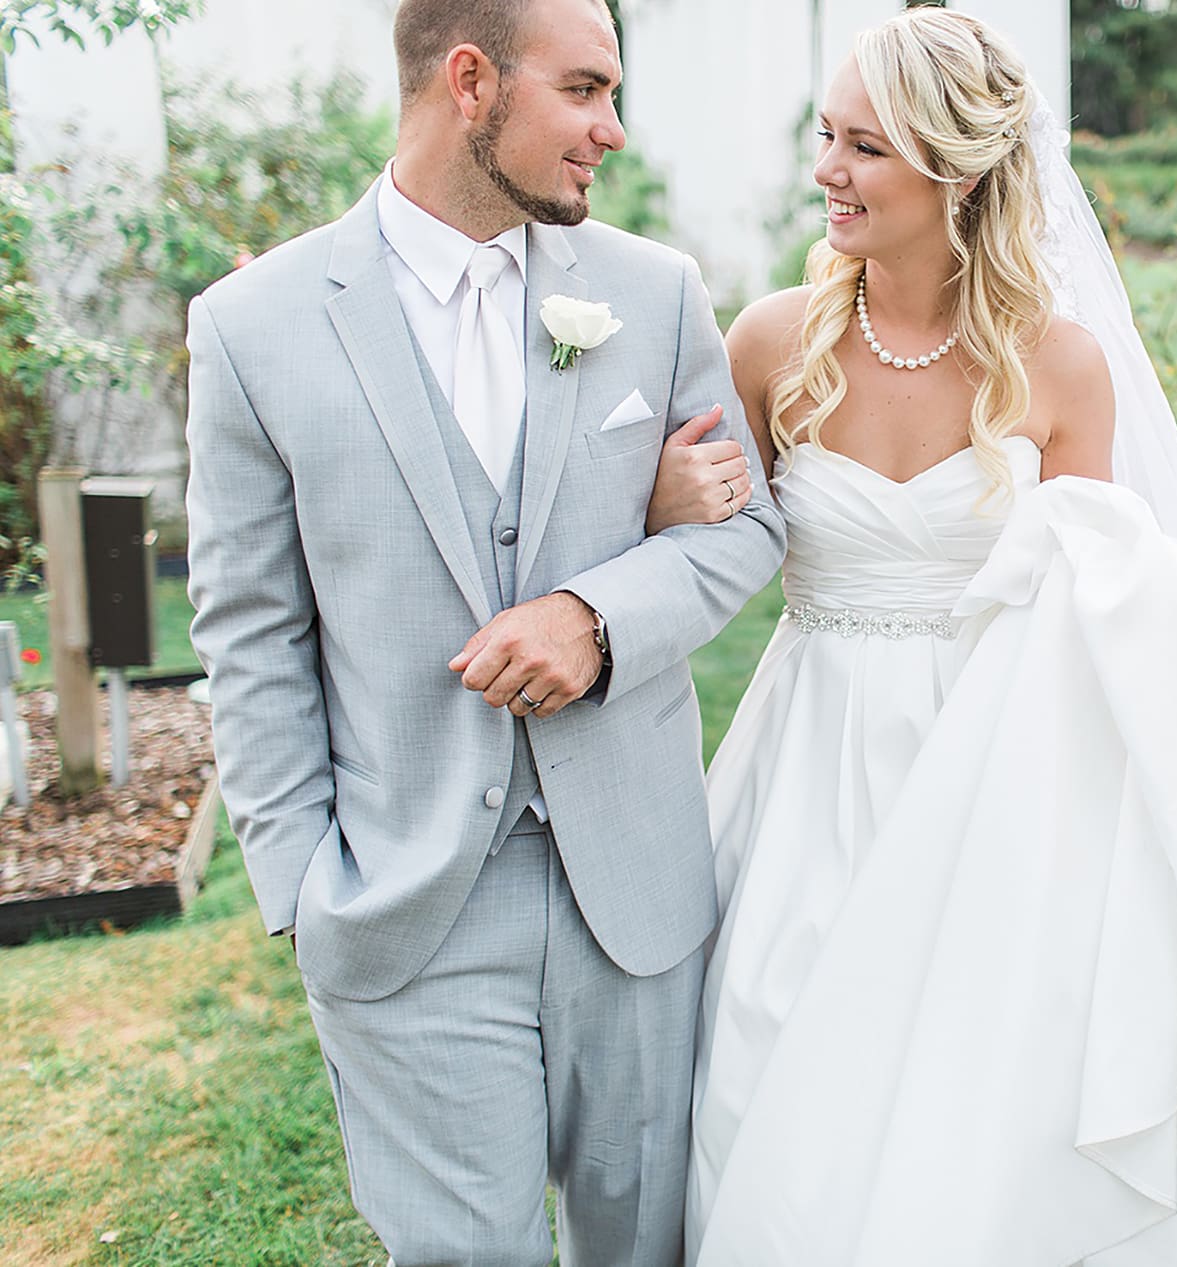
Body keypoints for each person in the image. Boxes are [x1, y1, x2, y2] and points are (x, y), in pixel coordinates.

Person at [662, 9, 1177, 1265]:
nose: (827, 170)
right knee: (771, 1053)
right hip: (808, 758)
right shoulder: (771, 342)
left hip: (992, 762)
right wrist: (678, 504)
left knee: (977, 1082)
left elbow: (1099, 612)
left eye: (866, 147)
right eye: (826, 138)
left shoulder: (1059, 368)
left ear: (959, 170)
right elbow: (710, 549)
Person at [183, 0, 784, 1262]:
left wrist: (593, 616)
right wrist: (300, 882)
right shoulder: (254, 327)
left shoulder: (651, 292)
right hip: (407, 902)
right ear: (471, 81)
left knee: (648, 1247)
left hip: (638, 894)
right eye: (583, 90)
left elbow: (743, 530)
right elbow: (249, 631)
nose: (611, 131)